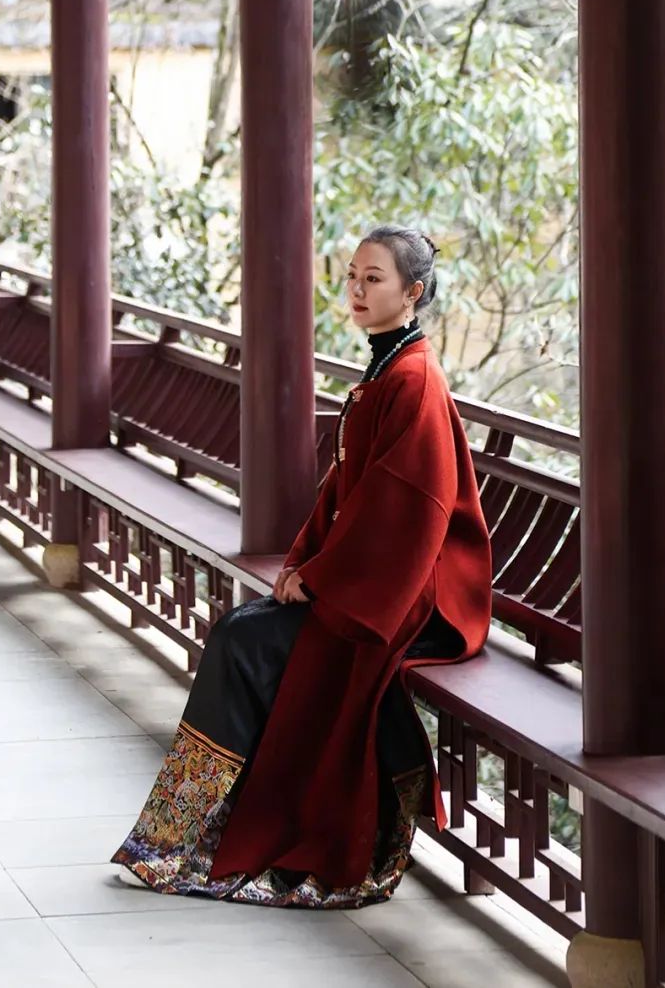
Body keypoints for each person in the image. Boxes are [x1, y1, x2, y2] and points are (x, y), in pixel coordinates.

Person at [110, 224, 493, 908]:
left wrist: (318, 579)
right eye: (352, 275)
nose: (356, 289)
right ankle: (190, 830)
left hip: (406, 597)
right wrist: (303, 565)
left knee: (242, 641)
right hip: (364, 580)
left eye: (374, 279)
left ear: (414, 292)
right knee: (243, 632)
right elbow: (347, 496)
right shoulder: (385, 370)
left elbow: (406, 516)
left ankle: (190, 833)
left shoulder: (414, 381)